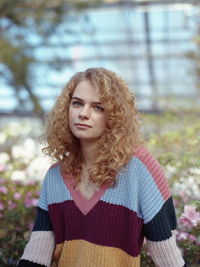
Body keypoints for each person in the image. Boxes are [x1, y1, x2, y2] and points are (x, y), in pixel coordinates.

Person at [18, 68, 186, 267]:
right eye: (77, 103)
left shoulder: (139, 168)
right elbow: (36, 255)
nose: (83, 114)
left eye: (98, 107)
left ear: (114, 116)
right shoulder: (55, 176)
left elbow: (168, 259)